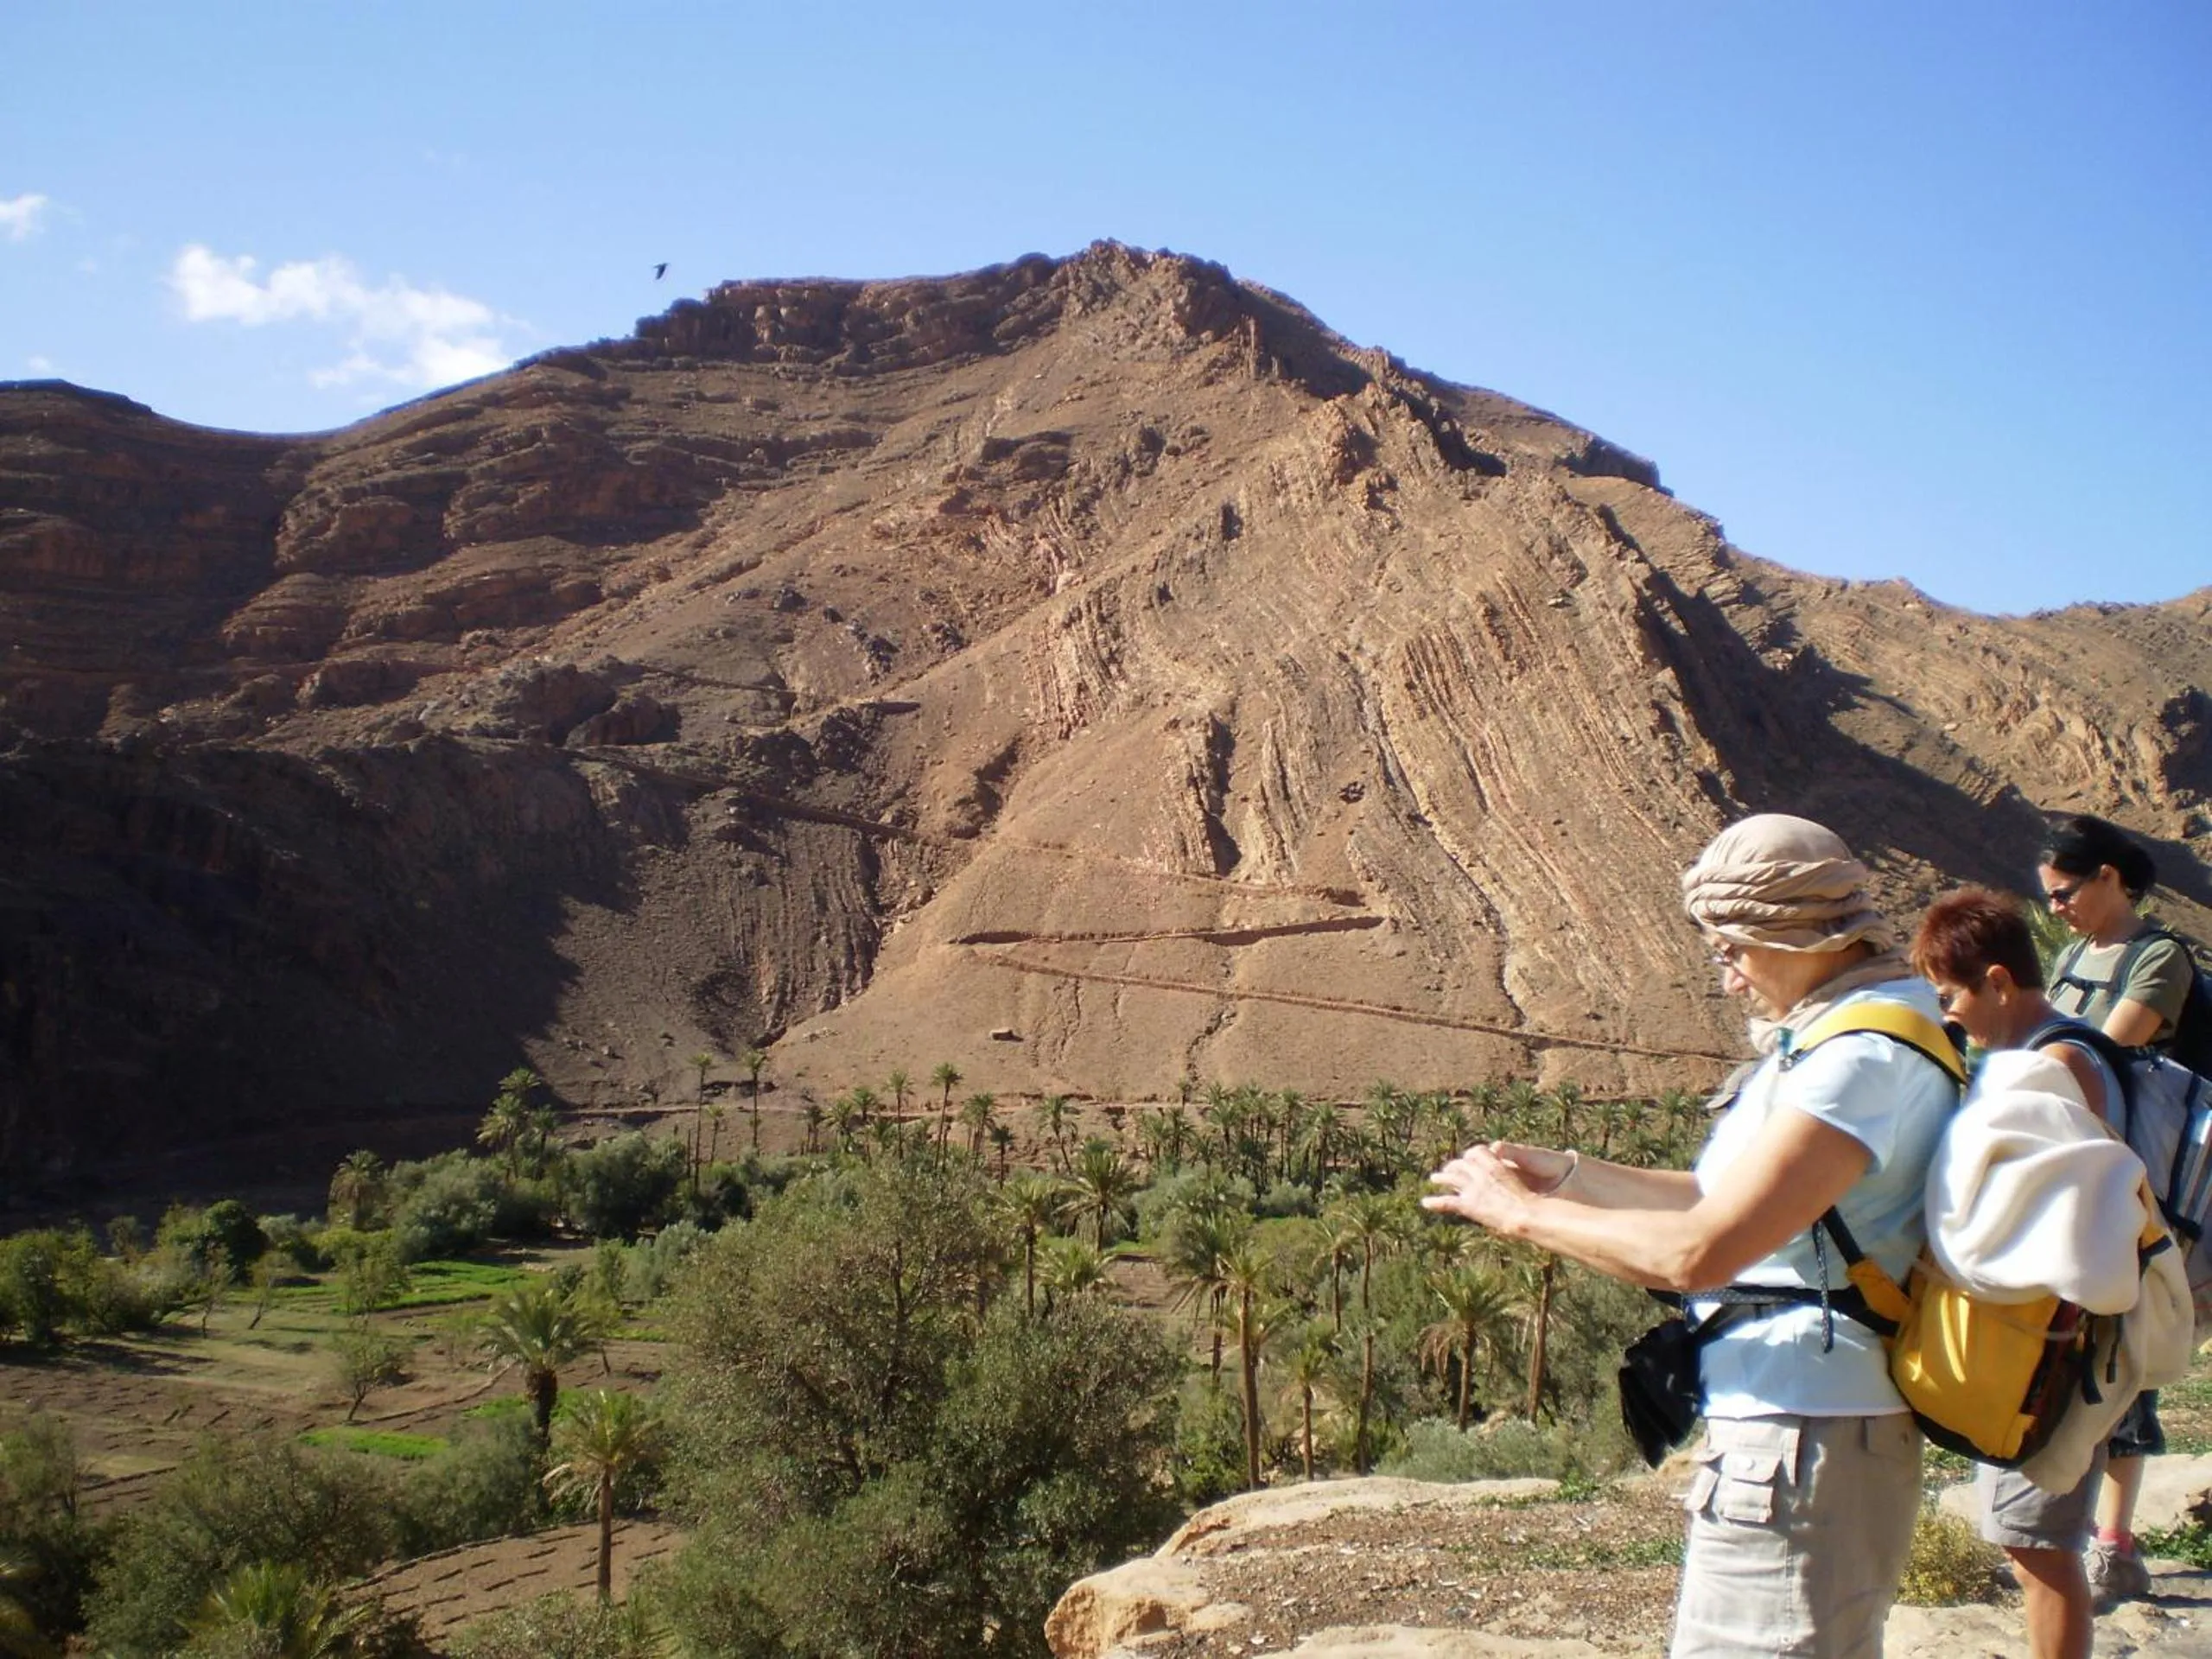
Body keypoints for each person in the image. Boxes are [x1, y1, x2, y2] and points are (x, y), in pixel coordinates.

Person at [1425, 814, 1958, 1658]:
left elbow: (1701, 1251)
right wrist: (1565, 1175)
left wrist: (1517, 1214)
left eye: (1732, 950)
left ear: (1795, 930)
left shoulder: (1858, 1059)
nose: (1728, 978)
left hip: (1803, 1436)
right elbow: (1722, 1198)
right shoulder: (1847, 1031)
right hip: (1801, 1430)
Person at [1911, 887, 2124, 1659]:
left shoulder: (2059, 1065)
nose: (1950, 1014)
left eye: (1952, 995)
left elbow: (2070, 1216)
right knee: (2032, 1541)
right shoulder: (2057, 1055)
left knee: (2039, 1547)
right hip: (2053, 1342)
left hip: (2052, 1352)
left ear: (1998, 982)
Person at [2039, 814, 2192, 1605]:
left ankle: (2116, 1544)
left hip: (2144, 1187)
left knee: (2123, 1358)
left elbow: (2104, 1051)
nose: (2057, 908)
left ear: (2109, 879)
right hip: (2083, 1169)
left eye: (2066, 892)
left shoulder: (2159, 957)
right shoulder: (2073, 955)